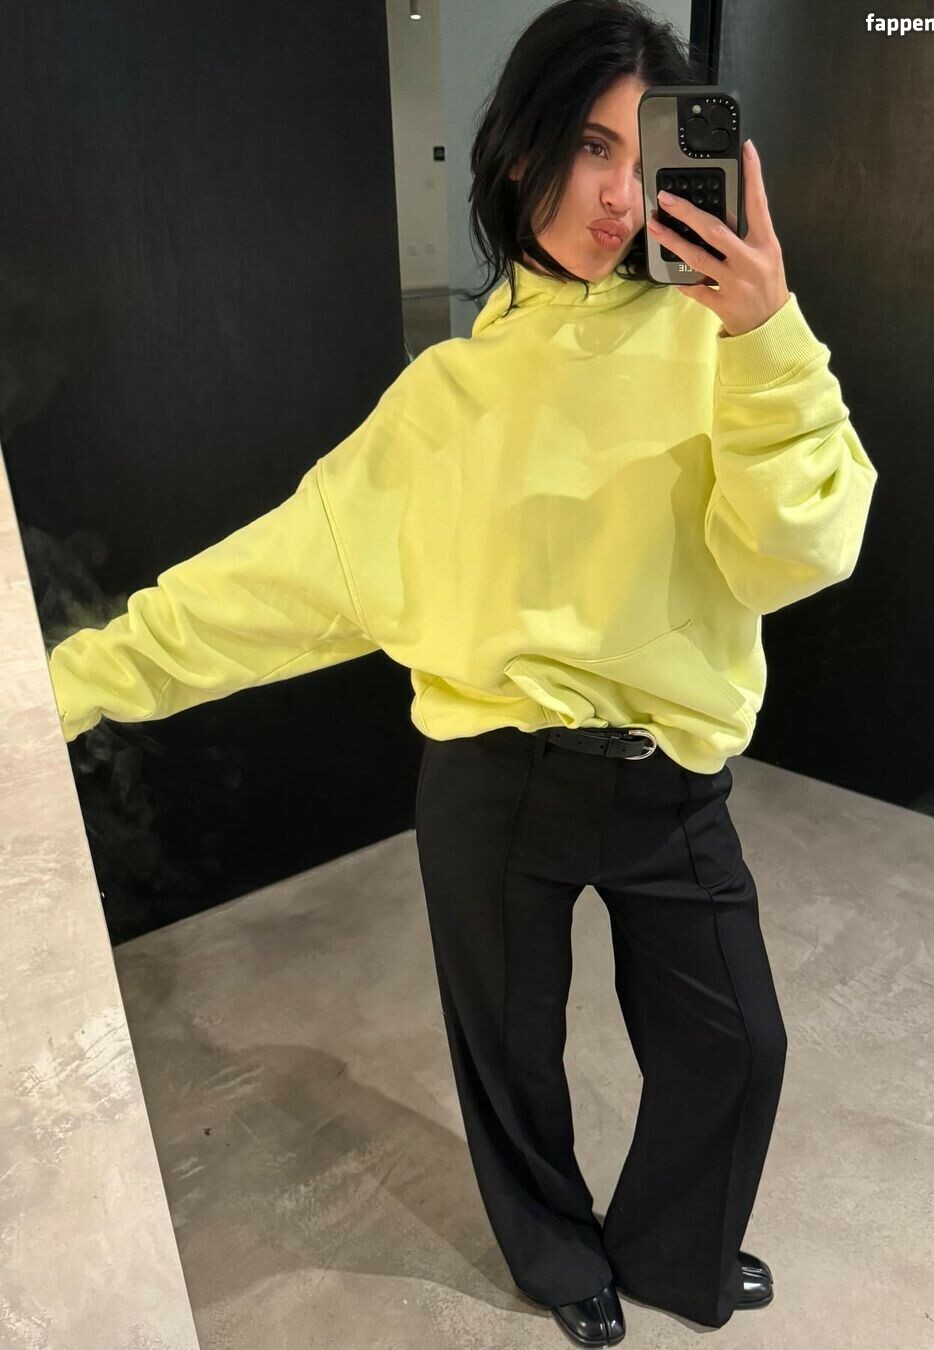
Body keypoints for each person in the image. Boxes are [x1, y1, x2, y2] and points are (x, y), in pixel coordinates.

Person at [47, 0, 878, 1342]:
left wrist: (769, 337)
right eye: (593, 148)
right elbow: (269, 581)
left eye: (649, 156)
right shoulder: (445, 399)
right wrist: (67, 685)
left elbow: (803, 554)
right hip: (496, 780)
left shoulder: (723, 346)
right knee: (510, 1051)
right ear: (522, 153)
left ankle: (672, 1247)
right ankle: (558, 1259)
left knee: (737, 1041)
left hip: (673, 777)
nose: (622, 196)